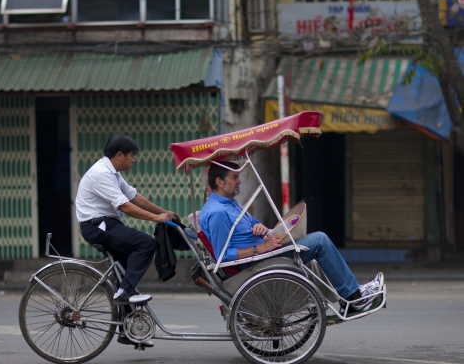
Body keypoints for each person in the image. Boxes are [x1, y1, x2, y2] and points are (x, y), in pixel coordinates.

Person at [199, 162, 383, 312]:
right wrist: (261, 248)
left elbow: (251, 226)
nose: (239, 181)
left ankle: (346, 298)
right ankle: (353, 297)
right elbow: (223, 255)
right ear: (219, 182)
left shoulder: (229, 204)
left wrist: (259, 228)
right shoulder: (218, 212)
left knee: (312, 253)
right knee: (320, 240)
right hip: (256, 262)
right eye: (234, 177)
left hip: (265, 251)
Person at [75, 133, 180, 347]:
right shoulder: (101, 173)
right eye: (132, 155)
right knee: (145, 243)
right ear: (120, 154)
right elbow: (124, 206)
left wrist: (164, 212)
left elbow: (134, 197)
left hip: (108, 224)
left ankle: (126, 330)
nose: (134, 159)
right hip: (98, 225)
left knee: (124, 273)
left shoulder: (113, 173)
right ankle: (124, 292)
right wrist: (155, 218)